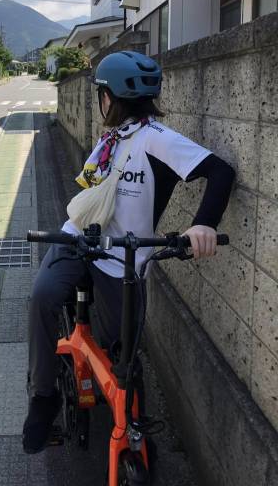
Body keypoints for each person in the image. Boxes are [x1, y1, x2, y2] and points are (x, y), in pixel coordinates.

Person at [22, 50, 235, 454]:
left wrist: (204, 222)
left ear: (110, 97)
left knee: (122, 354)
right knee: (43, 296)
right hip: (78, 240)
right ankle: (43, 397)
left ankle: (131, 422)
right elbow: (88, 193)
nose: (99, 101)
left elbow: (220, 172)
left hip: (123, 260)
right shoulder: (110, 139)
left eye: (100, 93)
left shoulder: (158, 140)